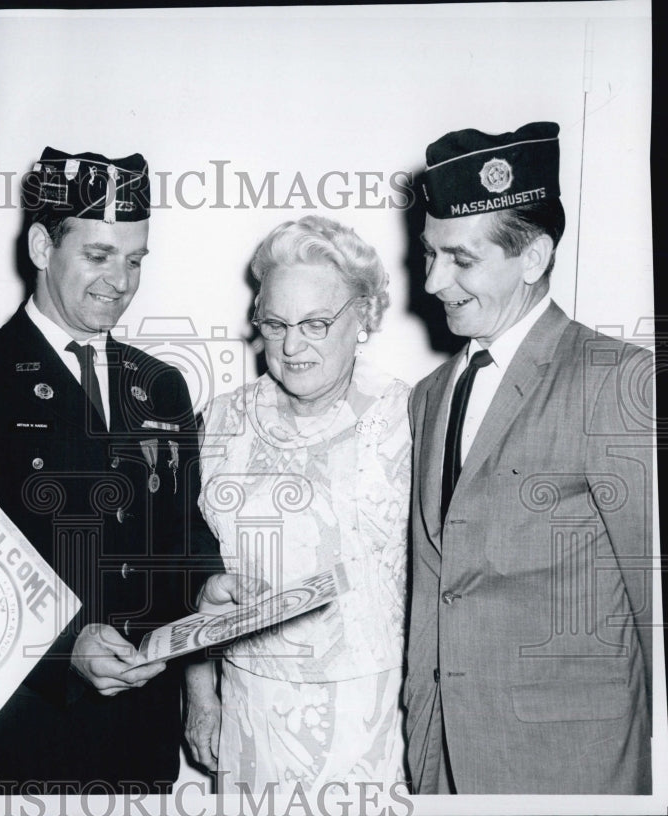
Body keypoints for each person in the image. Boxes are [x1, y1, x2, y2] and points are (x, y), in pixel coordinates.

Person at [0, 147, 223, 793]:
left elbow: (183, 530)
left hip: (141, 740)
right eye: (98, 255)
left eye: (135, 259)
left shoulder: (162, 385)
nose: (120, 280)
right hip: (22, 738)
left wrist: (208, 589)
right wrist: (63, 647)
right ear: (41, 246)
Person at [405, 122, 653, 793]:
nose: (432, 281)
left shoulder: (618, 380)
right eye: (429, 255)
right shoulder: (432, 395)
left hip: (577, 770)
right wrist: (424, 759)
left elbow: (652, 606)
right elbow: (435, 592)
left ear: (534, 256)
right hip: (450, 764)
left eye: (460, 259)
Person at [184, 215, 411, 792]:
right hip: (250, 711)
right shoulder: (221, 421)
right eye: (276, 323)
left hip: (374, 718)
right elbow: (193, 568)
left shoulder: (409, 419)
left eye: (315, 323)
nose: (291, 345)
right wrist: (199, 692)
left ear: (364, 316)